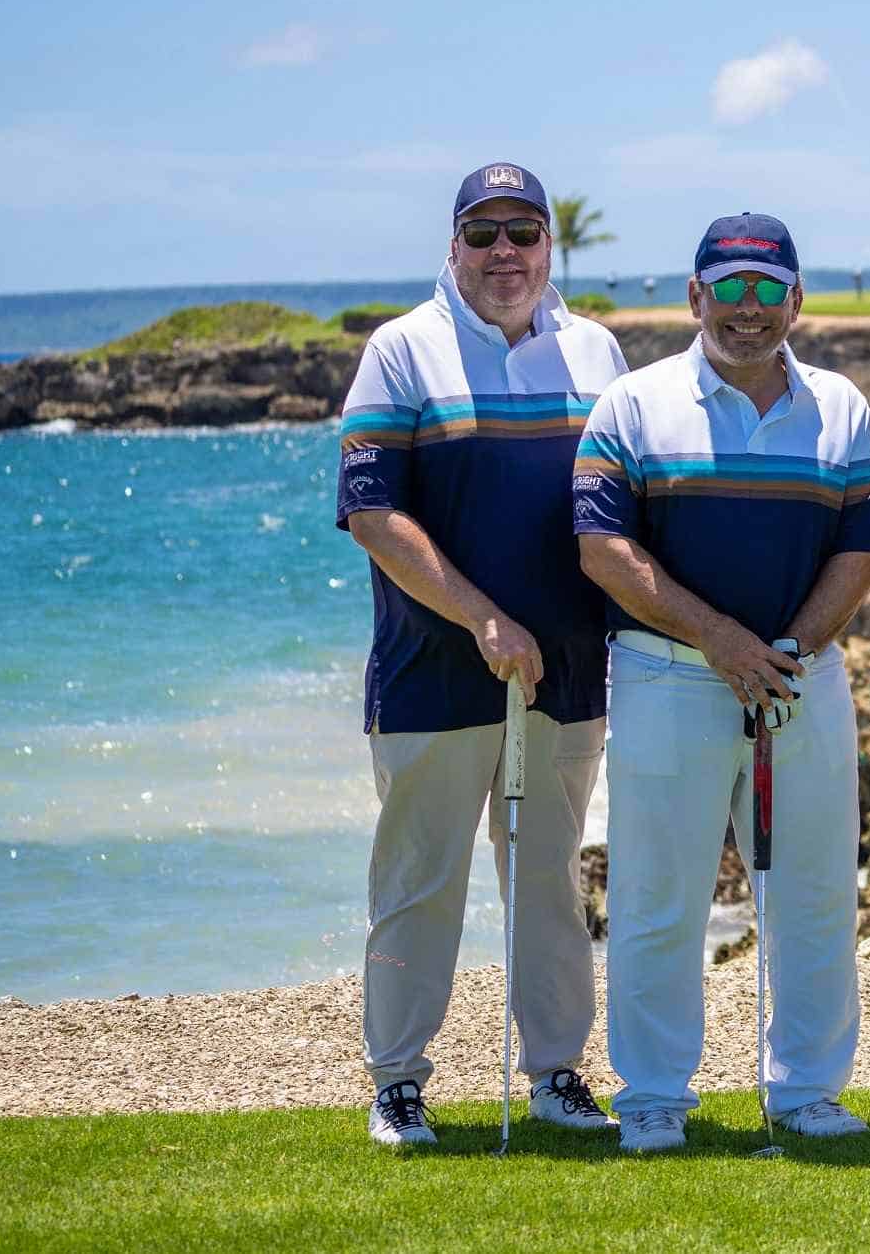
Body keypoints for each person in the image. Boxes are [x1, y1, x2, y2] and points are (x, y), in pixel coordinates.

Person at [574, 212, 870, 1154]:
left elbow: (859, 551)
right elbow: (602, 550)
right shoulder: (632, 405)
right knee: (658, 893)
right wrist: (721, 641)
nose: (747, 311)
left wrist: (783, 649)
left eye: (767, 290)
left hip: (803, 679)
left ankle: (806, 1092)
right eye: (729, 289)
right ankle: (655, 1096)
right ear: (694, 295)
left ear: (795, 298)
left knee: (815, 890)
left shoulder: (841, 408)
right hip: (667, 676)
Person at [337, 162, 630, 1146]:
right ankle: (398, 1085)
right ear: (452, 246)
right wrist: (482, 619)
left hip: (569, 675)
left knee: (549, 883)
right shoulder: (401, 352)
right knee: (419, 888)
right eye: (483, 232)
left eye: (524, 230)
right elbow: (373, 516)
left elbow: (625, 502)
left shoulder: (597, 351)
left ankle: (557, 1073)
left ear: (551, 245)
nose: (505, 251)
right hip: (434, 672)